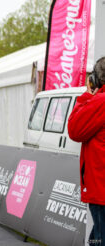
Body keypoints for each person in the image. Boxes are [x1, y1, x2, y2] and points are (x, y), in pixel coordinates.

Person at [68, 57, 105, 246]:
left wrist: (86, 96)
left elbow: (75, 130)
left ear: (97, 80)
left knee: (99, 238)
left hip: (101, 189)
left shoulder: (100, 102)